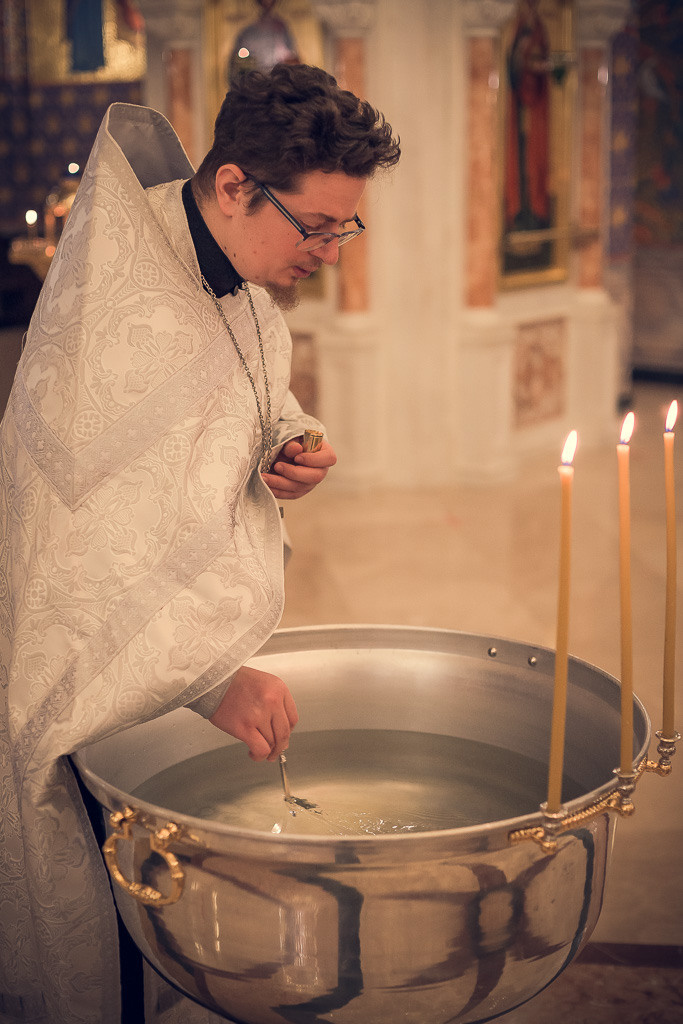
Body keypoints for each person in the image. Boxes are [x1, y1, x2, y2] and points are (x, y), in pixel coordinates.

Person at [0, 64, 400, 1024]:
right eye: (317, 226)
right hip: (83, 689)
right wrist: (215, 682)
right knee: (107, 950)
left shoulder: (227, 262)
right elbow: (81, 566)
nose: (332, 251)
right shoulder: (119, 324)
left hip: (151, 669)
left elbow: (230, 390)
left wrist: (282, 439)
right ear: (233, 186)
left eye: (347, 225)